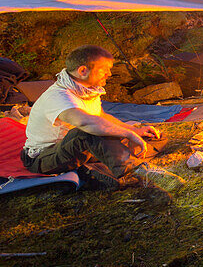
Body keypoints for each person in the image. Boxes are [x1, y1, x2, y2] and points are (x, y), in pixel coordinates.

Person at [21, 45, 183, 191]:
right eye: (104, 69)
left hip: (82, 148)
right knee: (88, 132)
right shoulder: (58, 96)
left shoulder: (86, 89)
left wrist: (135, 130)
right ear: (83, 70)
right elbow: (86, 122)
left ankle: (103, 167)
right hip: (45, 157)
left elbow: (100, 116)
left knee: (154, 137)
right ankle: (142, 172)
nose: (109, 74)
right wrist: (127, 134)